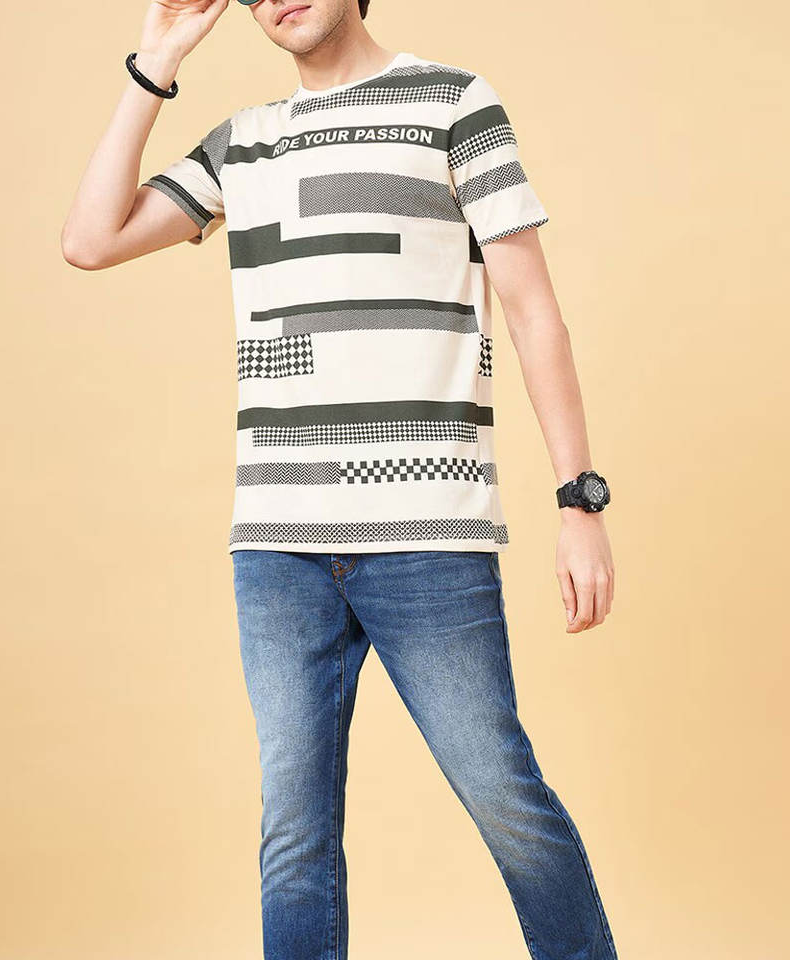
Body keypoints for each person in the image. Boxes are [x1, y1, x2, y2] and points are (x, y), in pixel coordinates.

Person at [61, 1, 618, 958]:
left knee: (506, 800)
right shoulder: (242, 144)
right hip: (277, 548)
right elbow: (89, 240)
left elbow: (534, 312)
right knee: (294, 842)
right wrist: (156, 60)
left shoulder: (454, 103)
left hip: (427, 537)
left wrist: (580, 501)